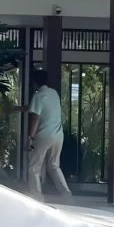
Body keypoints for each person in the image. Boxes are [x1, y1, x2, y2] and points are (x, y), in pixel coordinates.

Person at [25, 68, 70, 199]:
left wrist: (30, 137)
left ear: (34, 82)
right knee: (54, 166)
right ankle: (66, 194)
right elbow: (37, 109)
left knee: (34, 166)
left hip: (43, 135)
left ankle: (37, 197)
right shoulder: (54, 93)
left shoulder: (38, 95)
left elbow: (35, 118)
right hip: (58, 135)